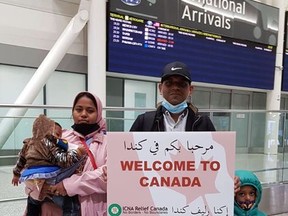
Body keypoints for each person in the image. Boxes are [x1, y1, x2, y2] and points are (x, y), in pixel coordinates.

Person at [130, 61, 240, 192]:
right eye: (169, 83)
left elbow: (216, 162)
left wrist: (228, 179)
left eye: (182, 84)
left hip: (191, 197)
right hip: (153, 194)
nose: (175, 88)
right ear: (160, 88)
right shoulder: (144, 122)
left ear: (190, 89)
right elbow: (128, 161)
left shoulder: (203, 123)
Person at [41, 91, 107, 216]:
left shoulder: (109, 142)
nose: (83, 114)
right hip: (57, 208)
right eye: (78, 109)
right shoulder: (61, 138)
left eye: (90, 111)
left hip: (96, 209)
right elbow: (35, 162)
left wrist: (68, 185)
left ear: (98, 113)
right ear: (73, 111)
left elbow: (109, 176)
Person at [11, 115, 86, 216]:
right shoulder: (50, 144)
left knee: (32, 202)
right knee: (71, 205)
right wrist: (77, 153)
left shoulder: (28, 143)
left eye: (59, 135)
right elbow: (63, 160)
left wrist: (16, 174)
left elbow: (21, 160)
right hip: (49, 178)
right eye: (55, 134)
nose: (58, 138)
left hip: (32, 178)